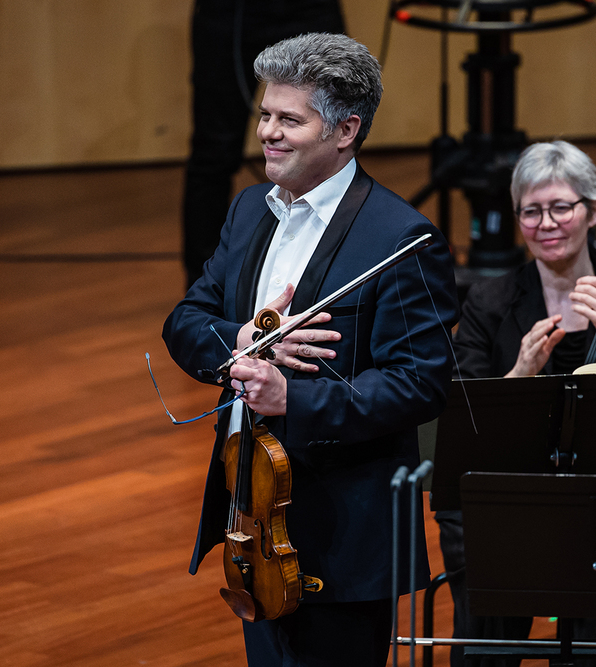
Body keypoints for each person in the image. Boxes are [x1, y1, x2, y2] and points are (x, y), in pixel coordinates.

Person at [163, 33, 459, 667]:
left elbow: (421, 383)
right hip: (252, 515)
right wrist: (238, 340)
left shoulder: (402, 238)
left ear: (345, 129)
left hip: (341, 529)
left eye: (289, 120)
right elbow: (186, 320)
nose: (268, 132)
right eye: (266, 115)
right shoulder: (250, 211)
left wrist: (291, 397)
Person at [438, 140, 596, 667]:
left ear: (593, 211)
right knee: (489, 643)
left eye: (561, 207)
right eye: (531, 211)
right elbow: (465, 422)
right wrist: (521, 372)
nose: (546, 223)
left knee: (594, 647)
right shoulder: (489, 304)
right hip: (510, 504)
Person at [182, 0, 344, 288]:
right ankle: (204, 290)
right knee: (214, 153)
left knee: (330, 149)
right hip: (229, 13)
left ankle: (329, 279)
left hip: (310, 10)